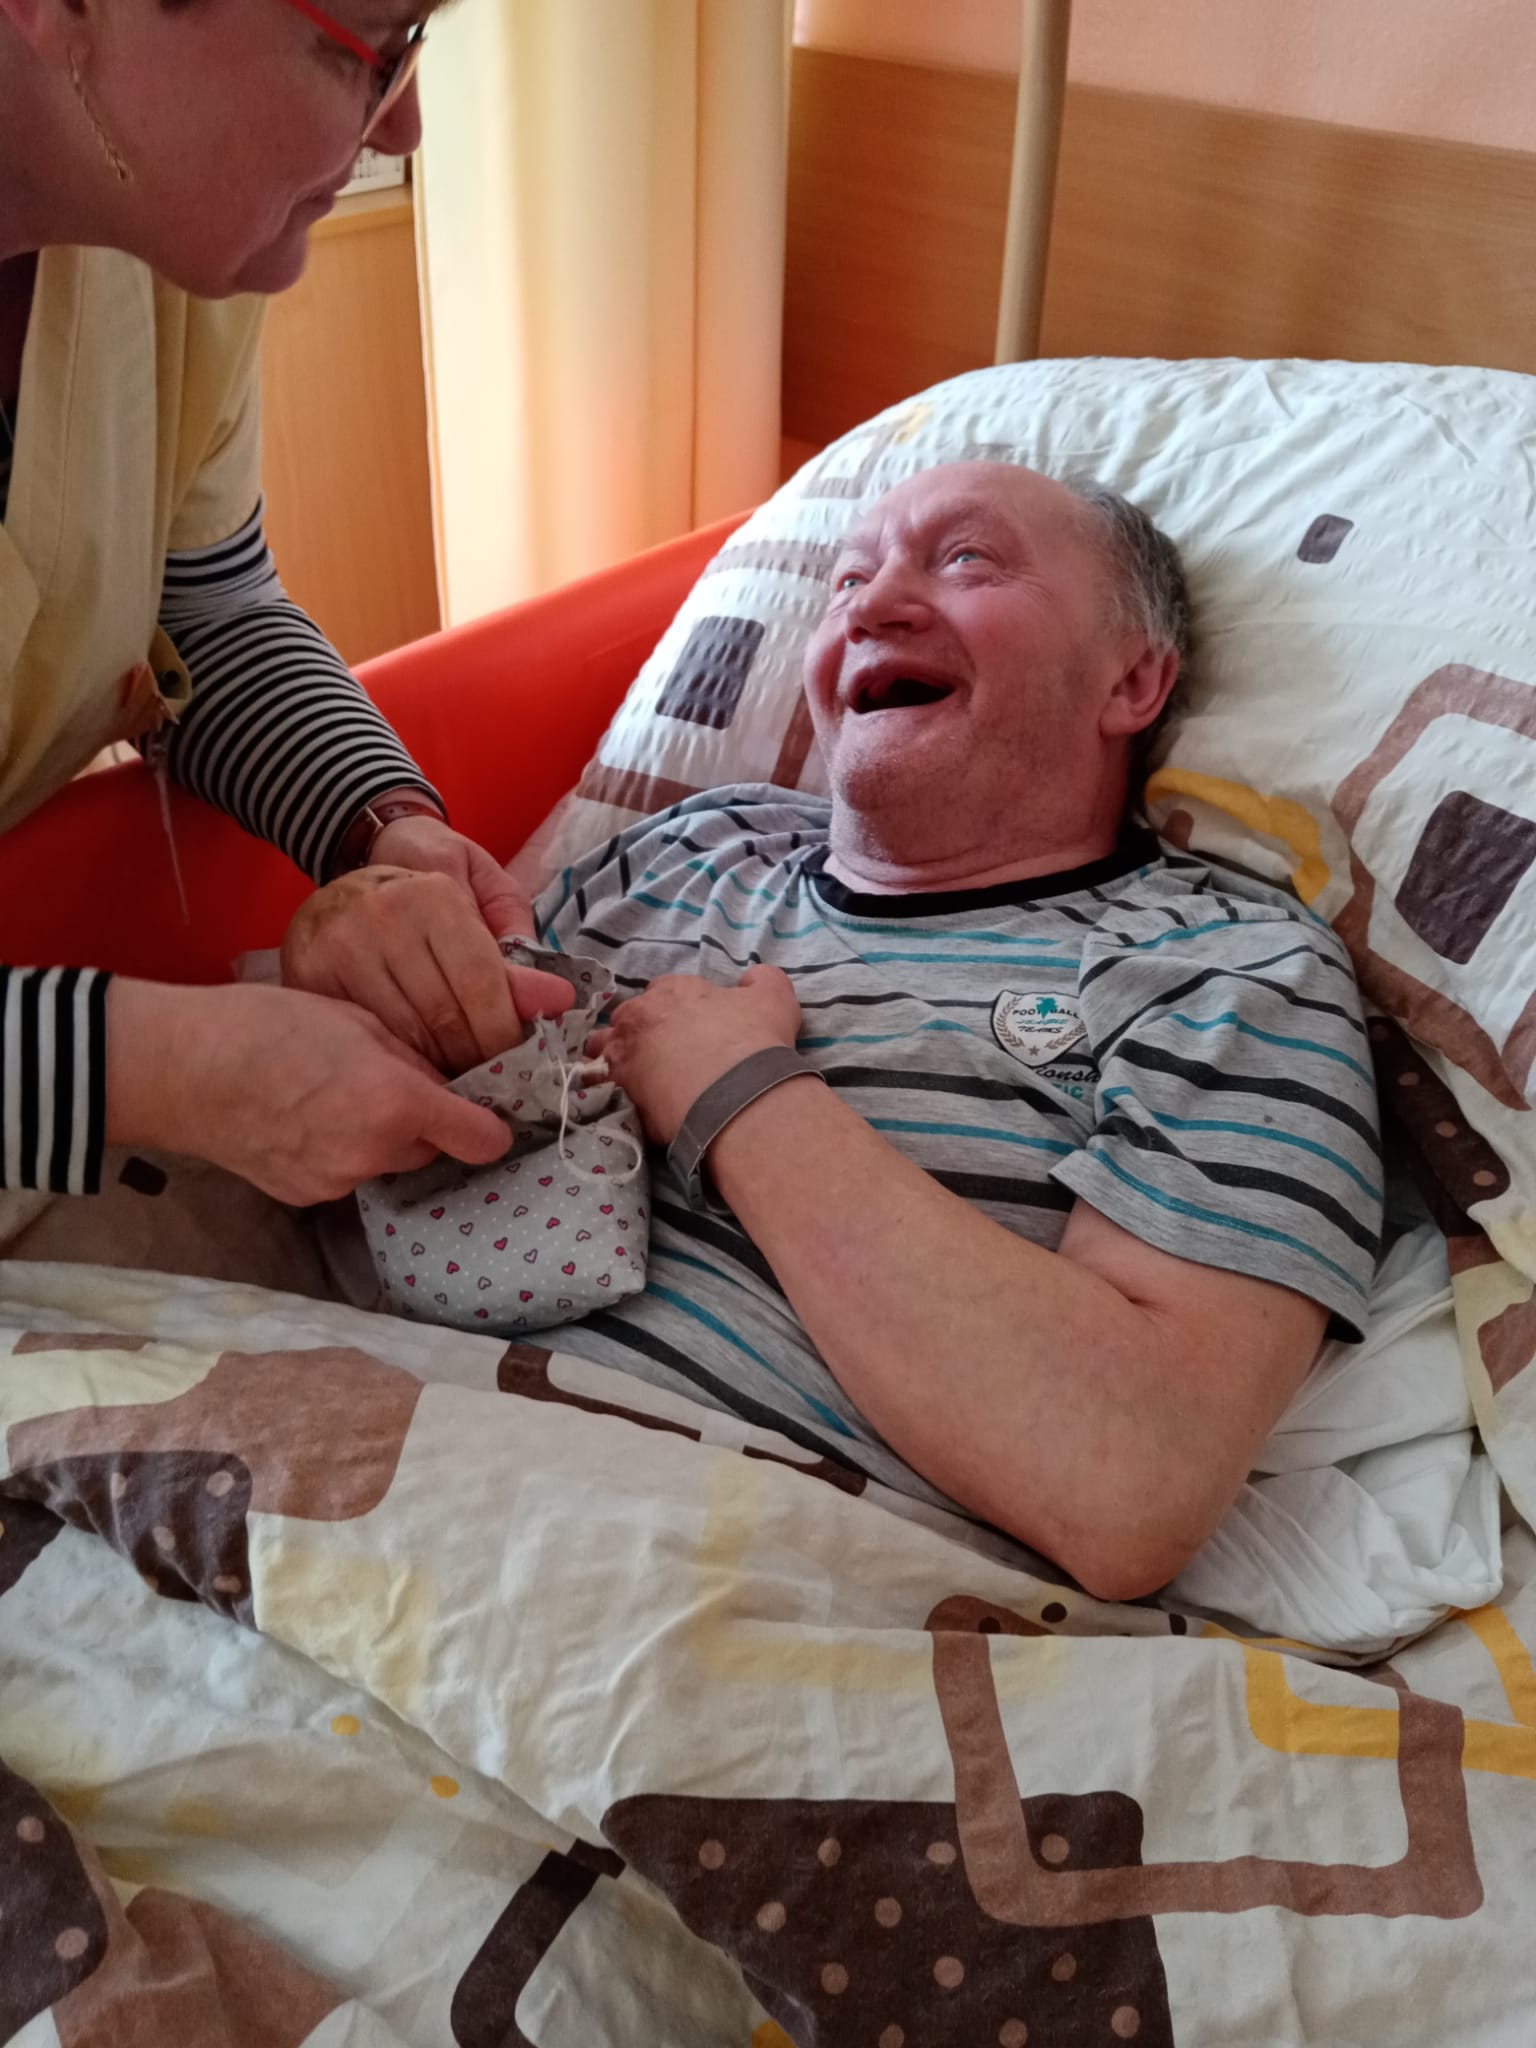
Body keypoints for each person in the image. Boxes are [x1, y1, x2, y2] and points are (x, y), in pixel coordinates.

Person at [286, 460, 1384, 1601]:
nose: (871, 605)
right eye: (848, 580)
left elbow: (1129, 1482)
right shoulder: (689, 846)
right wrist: (349, 967)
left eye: (966, 560)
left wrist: (736, 1094)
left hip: (680, 1575)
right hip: (335, 1445)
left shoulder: (1227, 969)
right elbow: (357, 1138)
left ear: (1134, 679)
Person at [0, 0, 570, 1211]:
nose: (402, 127)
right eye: (367, 46)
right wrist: (152, 1069)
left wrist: (383, 826)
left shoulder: (157, 246)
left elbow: (206, 615)